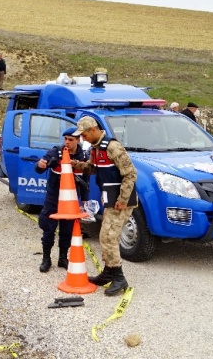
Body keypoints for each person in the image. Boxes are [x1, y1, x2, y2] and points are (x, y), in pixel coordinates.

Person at [70, 116, 137, 296]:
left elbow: (130, 174)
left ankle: (119, 278)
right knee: (105, 236)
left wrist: (123, 200)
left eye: (83, 135)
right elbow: (93, 168)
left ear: (93, 129)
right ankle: (109, 272)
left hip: (120, 200)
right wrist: (75, 165)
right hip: (110, 198)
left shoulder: (113, 147)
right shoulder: (96, 148)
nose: (82, 139)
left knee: (109, 237)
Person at [35, 127, 90, 273]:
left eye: (70, 140)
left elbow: (86, 178)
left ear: (78, 140)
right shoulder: (56, 152)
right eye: (65, 139)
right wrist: (40, 165)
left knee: (67, 230)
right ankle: (46, 259)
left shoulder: (83, 156)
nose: (67, 142)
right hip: (54, 197)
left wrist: (84, 200)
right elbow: (40, 167)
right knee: (48, 228)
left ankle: (63, 258)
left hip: (71, 199)